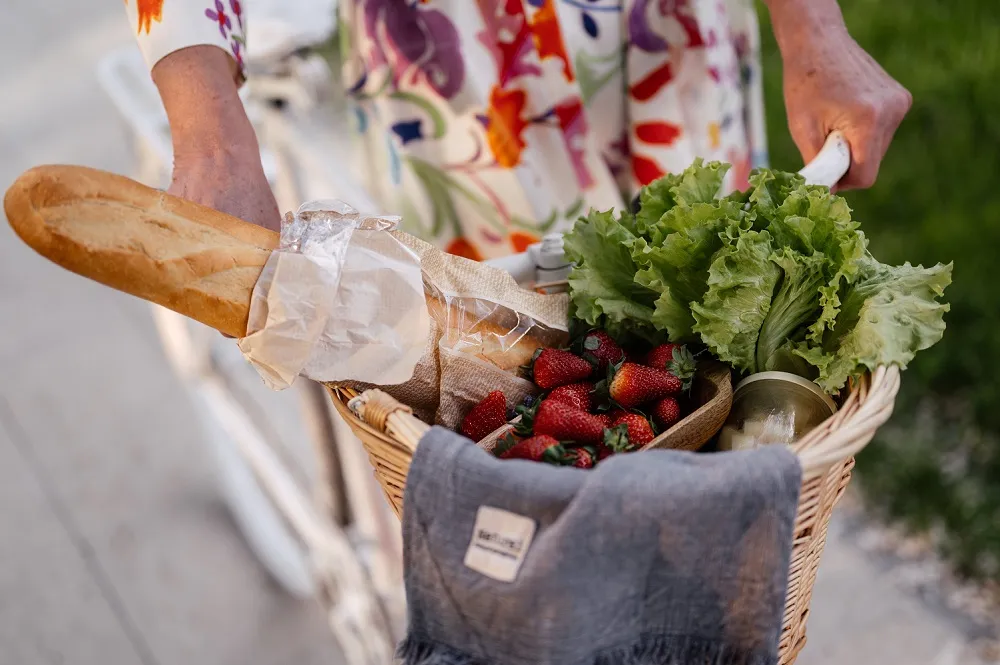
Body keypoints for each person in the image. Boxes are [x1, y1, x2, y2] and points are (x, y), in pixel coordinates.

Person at [123, 0, 910, 259]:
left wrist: (814, 35)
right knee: (509, 395)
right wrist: (212, 138)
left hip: (672, 45)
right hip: (461, 84)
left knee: (714, 361)